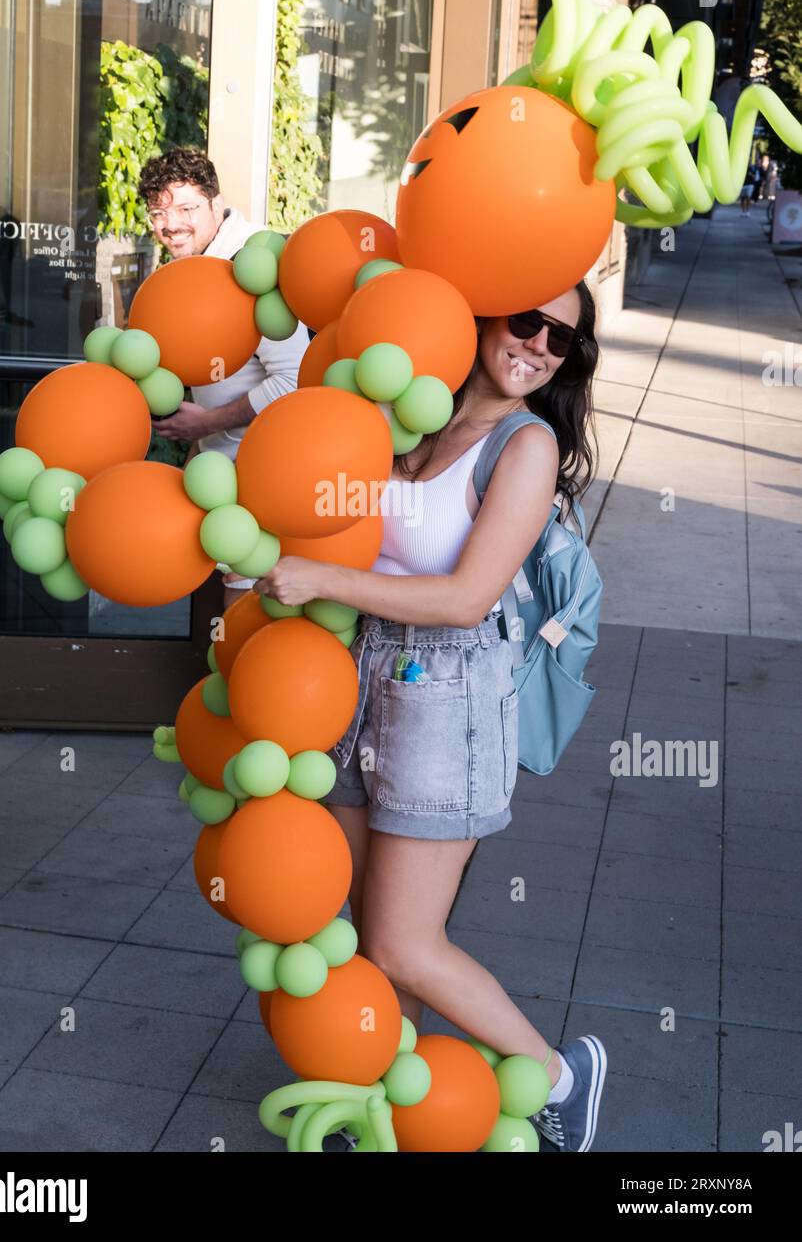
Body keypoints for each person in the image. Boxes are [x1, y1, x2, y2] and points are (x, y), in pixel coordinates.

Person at [249, 280, 608, 1153]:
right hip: (361, 679)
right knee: (372, 935)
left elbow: (463, 596)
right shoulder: (415, 411)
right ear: (486, 314)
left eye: (561, 342)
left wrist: (322, 579)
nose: (538, 348)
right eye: (527, 321)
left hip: (448, 704)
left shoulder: (525, 449)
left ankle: (563, 1077)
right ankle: (382, 1110)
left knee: (408, 944)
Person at [137, 148, 309, 612]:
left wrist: (207, 422)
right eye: (159, 213)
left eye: (186, 208)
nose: (170, 224)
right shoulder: (196, 268)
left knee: (247, 630)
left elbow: (296, 380)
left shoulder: (250, 266)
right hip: (225, 481)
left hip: (264, 489)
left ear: (217, 204)